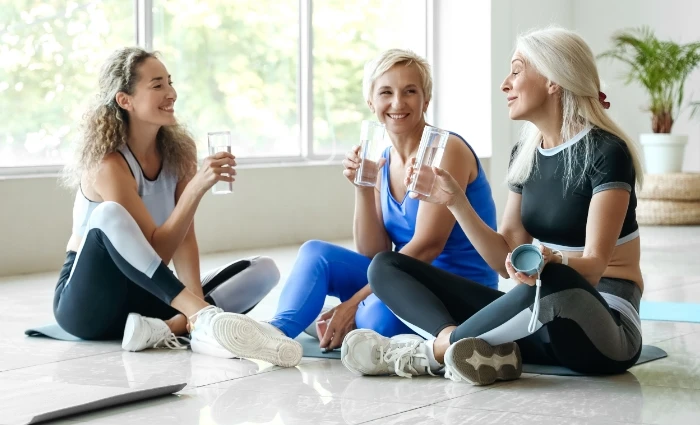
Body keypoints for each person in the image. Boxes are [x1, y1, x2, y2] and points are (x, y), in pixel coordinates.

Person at [340, 27, 646, 384]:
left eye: (516, 71)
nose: (505, 84)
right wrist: (455, 201)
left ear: (552, 80)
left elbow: (592, 268)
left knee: (555, 279)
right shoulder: (526, 153)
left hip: (604, 329)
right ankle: (478, 349)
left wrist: (552, 261)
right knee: (387, 265)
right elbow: (504, 258)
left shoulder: (606, 152)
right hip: (536, 327)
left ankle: (429, 354)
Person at [213, 48, 498, 368]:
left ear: (426, 99)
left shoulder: (446, 150)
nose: (398, 103)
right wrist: (364, 187)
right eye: (386, 92)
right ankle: (275, 336)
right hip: (402, 279)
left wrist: (352, 303)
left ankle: (335, 317)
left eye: (410, 92)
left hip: (454, 290)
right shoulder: (385, 158)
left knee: (375, 317)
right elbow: (374, 251)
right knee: (315, 253)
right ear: (371, 103)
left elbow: (427, 248)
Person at [54, 47, 281, 360]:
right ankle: (200, 317)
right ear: (125, 100)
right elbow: (154, 255)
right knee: (109, 214)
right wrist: (195, 191)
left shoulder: (178, 153)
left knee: (264, 271)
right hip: (88, 305)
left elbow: (184, 240)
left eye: (170, 83)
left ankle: (170, 326)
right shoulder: (108, 165)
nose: (171, 93)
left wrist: (194, 299)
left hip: (149, 297)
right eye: (157, 85)